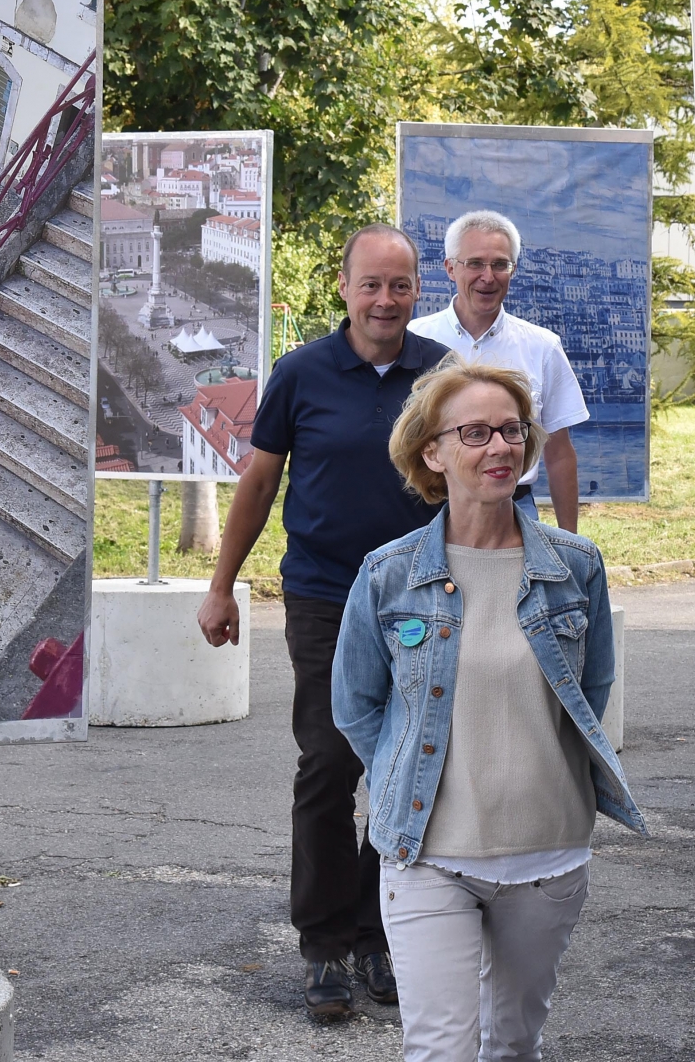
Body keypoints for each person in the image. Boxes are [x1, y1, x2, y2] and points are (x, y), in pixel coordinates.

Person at [333, 359, 643, 1062]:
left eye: (511, 430)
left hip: (547, 853)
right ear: (431, 453)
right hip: (426, 853)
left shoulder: (576, 566)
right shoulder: (387, 574)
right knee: (441, 1049)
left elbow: (589, 690)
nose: (499, 447)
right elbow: (356, 706)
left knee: (510, 1044)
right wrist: (406, 771)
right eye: (474, 432)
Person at [194, 225, 451, 1021]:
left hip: (422, 600)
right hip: (324, 599)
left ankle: (380, 933)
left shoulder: (441, 374)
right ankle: (324, 944)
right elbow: (259, 481)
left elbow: (482, 478)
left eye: (399, 285)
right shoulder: (301, 371)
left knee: (408, 769)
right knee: (329, 763)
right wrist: (222, 584)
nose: (385, 300)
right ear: (342, 286)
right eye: (370, 284)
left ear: (417, 291)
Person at [409, 211, 589, 532]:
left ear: (513, 270)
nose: (488, 276)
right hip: (425, 512)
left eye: (500, 265)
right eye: (475, 263)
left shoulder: (542, 347)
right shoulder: (414, 339)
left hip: (514, 512)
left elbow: (559, 453)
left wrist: (569, 541)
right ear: (450, 268)